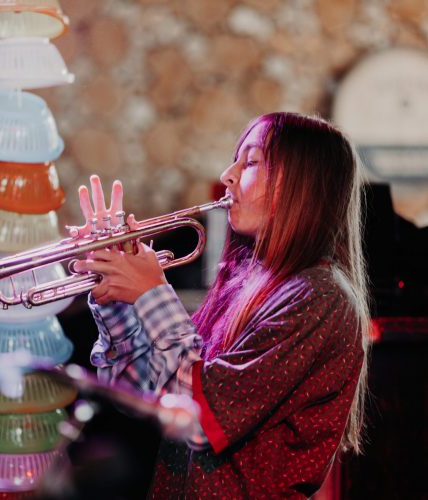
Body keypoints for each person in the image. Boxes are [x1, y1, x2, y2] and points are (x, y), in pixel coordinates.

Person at [71, 112, 370, 499]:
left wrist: (151, 293)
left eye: (250, 162)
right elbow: (146, 395)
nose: (227, 175)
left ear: (301, 185)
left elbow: (201, 417)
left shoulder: (318, 298)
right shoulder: (245, 284)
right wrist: (116, 296)